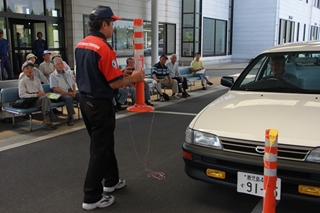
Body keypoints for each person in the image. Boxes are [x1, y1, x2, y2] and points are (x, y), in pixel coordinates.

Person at [75, 5, 145, 210]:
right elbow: (114, 84)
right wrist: (135, 77)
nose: (113, 27)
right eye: (112, 23)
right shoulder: (104, 48)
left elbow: (101, 75)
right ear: (104, 24)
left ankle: (111, 180)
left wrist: (121, 74)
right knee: (99, 149)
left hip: (85, 101)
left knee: (104, 143)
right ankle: (91, 197)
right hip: (99, 105)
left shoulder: (82, 44)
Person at [18, 60, 56, 130]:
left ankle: (47, 120)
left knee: (47, 98)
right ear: (23, 71)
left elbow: (41, 90)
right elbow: (22, 95)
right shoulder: (22, 81)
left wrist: (41, 93)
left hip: (39, 99)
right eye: (27, 69)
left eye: (31, 68)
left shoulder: (37, 79)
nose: (30, 70)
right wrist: (36, 95)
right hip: (30, 101)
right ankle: (47, 121)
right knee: (45, 100)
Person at [50, 57, 78, 126]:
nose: (60, 65)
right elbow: (55, 89)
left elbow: (73, 84)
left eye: (61, 64)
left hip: (70, 91)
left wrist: (74, 92)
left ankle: (87, 114)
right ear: (55, 66)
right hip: (60, 94)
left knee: (82, 95)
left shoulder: (67, 73)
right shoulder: (53, 76)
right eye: (58, 64)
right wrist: (68, 93)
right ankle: (70, 117)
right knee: (68, 98)